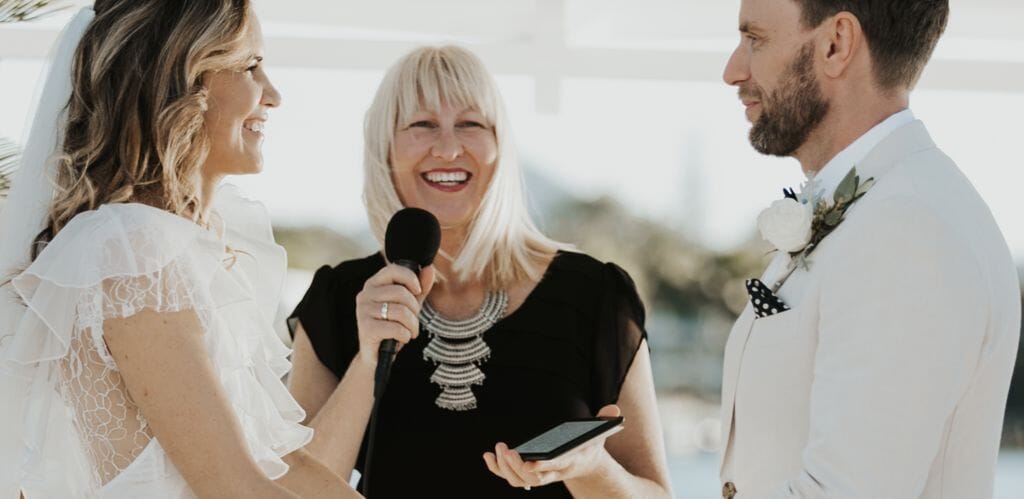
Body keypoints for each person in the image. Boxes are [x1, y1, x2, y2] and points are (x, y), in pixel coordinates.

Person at [0, 1, 359, 497]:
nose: (272, 95)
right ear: (179, 82)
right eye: (250, 66)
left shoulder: (189, 246)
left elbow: (283, 464)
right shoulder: (129, 249)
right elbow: (233, 485)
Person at [286, 45, 673, 498]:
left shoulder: (596, 294)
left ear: (500, 147)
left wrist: (591, 468)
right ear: (385, 147)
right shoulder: (339, 297)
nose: (448, 148)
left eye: (470, 125)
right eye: (422, 125)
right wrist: (367, 359)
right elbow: (296, 493)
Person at [718, 1, 1021, 498]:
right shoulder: (883, 206)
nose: (733, 70)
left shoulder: (909, 228)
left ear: (836, 44)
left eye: (756, 38)